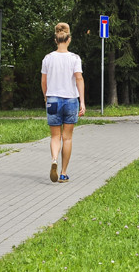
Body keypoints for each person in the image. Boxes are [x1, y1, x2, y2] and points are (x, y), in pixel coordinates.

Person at [42, 22, 86, 183]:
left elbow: (43, 81)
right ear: (69, 39)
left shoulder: (48, 58)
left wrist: (46, 96)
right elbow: (79, 78)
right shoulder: (75, 58)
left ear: (56, 40)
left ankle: (54, 159)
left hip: (52, 99)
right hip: (70, 100)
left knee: (55, 136)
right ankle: (63, 173)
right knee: (67, 138)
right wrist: (82, 101)